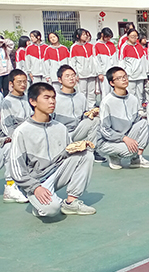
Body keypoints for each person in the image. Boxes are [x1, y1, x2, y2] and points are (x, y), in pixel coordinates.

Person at [8, 81, 96, 217]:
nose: (52, 101)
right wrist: (35, 187)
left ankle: (71, 202)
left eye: (53, 97)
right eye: (46, 98)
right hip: (36, 182)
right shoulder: (22, 131)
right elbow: (16, 170)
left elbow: (65, 156)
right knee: (52, 210)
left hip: (56, 173)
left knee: (87, 154)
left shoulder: (60, 127)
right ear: (33, 101)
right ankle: (39, 203)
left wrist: (77, 148)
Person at [96, 67, 149, 170]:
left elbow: (137, 121)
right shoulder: (107, 102)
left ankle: (136, 159)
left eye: (125, 77)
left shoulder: (133, 99)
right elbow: (105, 130)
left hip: (126, 135)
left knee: (145, 123)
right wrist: (124, 138)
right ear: (112, 83)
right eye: (119, 78)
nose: (123, 80)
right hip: (108, 141)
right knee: (131, 151)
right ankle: (114, 156)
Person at [1, 69, 31, 202]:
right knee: (11, 147)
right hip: (14, 140)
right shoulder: (7, 102)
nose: (23, 84)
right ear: (11, 84)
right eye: (19, 82)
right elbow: (7, 127)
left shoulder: (29, 99)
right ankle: (10, 186)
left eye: (24, 81)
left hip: (30, 137)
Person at [53, 65, 100, 147]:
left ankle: (92, 149)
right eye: (67, 76)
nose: (71, 78)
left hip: (77, 132)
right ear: (60, 80)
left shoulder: (81, 96)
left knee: (95, 120)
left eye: (73, 75)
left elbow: (84, 116)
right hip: (61, 133)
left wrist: (91, 114)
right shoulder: (55, 98)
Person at [119, 28, 148, 106]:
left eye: (136, 36)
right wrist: (124, 74)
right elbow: (121, 61)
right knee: (131, 93)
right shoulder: (124, 47)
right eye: (132, 36)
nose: (134, 38)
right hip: (131, 75)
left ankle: (139, 108)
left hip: (141, 75)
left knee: (140, 93)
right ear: (128, 36)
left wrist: (147, 71)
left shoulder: (139, 46)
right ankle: (131, 108)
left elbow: (144, 60)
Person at [69, 29, 97, 108]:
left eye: (86, 35)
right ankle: (83, 107)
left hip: (92, 73)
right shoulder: (74, 47)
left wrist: (96, 71)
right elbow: (73, 62)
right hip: (81, 74)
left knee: (91, 92)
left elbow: (95, 59)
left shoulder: (91, 46)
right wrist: (75, 74)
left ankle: (91, 107)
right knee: (82, 92)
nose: (85, 36)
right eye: (83, 34)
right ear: (78, 36)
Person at [94, 28, 117, 100]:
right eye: (107, 37)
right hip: (104, 73)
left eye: (109, 37)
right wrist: (99, 73)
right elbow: (96, 60)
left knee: (114, 91)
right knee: (105, 93)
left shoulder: (111, 44)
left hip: (113, 72)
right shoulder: (96, 45)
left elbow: (115, 58)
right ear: (102, 35)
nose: (108, 39)